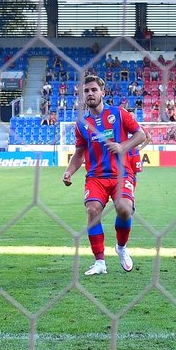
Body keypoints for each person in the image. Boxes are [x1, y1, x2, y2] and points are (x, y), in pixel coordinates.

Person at [62, 75, 147, 276]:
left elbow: (141, 135)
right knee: (92, 211)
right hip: (96, 177)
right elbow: (79, 153)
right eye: (86, 91)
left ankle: (121, 247)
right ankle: (100, 262)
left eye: (93, 90)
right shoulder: (82, 124)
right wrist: (69, 171)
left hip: (121, 174)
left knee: (124, 209)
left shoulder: (119, 113)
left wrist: (122, 146)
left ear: (102, 92)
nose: (90, 93)